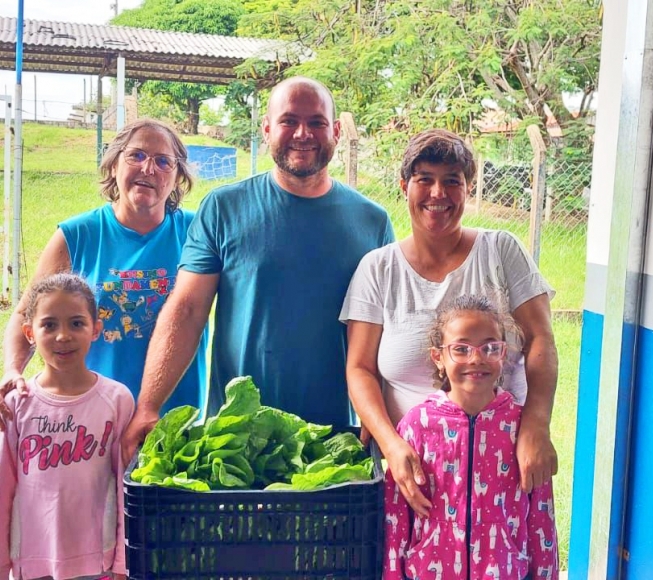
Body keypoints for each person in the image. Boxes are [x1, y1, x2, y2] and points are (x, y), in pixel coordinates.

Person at [120, 76, 394, 464]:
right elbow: (187, 310)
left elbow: (385, 330)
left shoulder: (372, 221)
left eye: (316, 122)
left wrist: (380, 416)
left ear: (335, 131)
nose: (303, 133)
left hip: (333, 443)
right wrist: (149, 405)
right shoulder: (224, 209)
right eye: (288, 121)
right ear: (267, 129)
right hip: (235, 442)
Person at [341, 128, 558, 516]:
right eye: (425, 179)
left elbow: (541, 338)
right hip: (415, 473)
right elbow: (359, 368)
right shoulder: (378, 269)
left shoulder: (501, 250)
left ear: (469, 188)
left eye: (452, 181)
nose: (438, 194)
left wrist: (536, 426)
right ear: (404, 186)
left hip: (504, 462)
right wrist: (390, 444)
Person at [0, 118, 208, 428]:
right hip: (91, 421)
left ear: (178, 177)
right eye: (136, 155)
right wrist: (12, 370)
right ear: (113, 165)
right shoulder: (77, 235)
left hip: (175, 420)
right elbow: (26, 314)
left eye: (163, 161)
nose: (148, 169)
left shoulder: (198, 232)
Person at [383, 295, 559, 580]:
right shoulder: (417, 425)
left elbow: (542, 516)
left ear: (503, 354)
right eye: (461, 349)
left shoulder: (522, 427)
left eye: (490, 347)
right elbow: (396, 516)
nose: (476, 358)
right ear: (438, 357)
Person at [0, 273, 133, 580]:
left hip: (97, 562)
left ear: (96, 329)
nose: (63, 336)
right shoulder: (17, 402)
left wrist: (123, 563)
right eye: (49, 325)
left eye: (76, 323)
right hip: (33, 562)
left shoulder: (117, 399)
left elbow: (125, 488)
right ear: (29, 332)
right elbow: (4, 487)